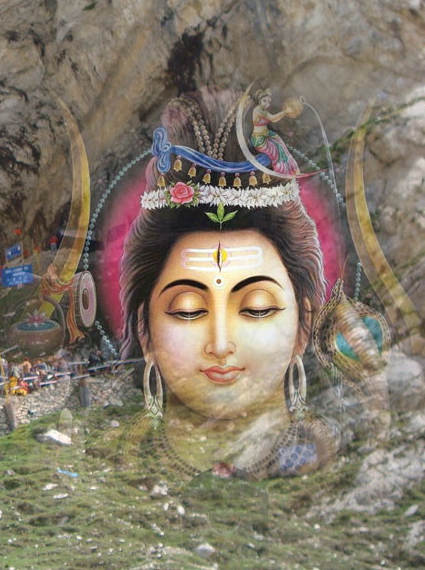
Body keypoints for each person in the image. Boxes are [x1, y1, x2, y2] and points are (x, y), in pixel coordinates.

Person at [116, 86, 384, 481]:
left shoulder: (358, 470)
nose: (221, 345)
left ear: (303, 325)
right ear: (144, 331)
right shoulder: (101, 467)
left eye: (257, 307)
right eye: (188, 310)